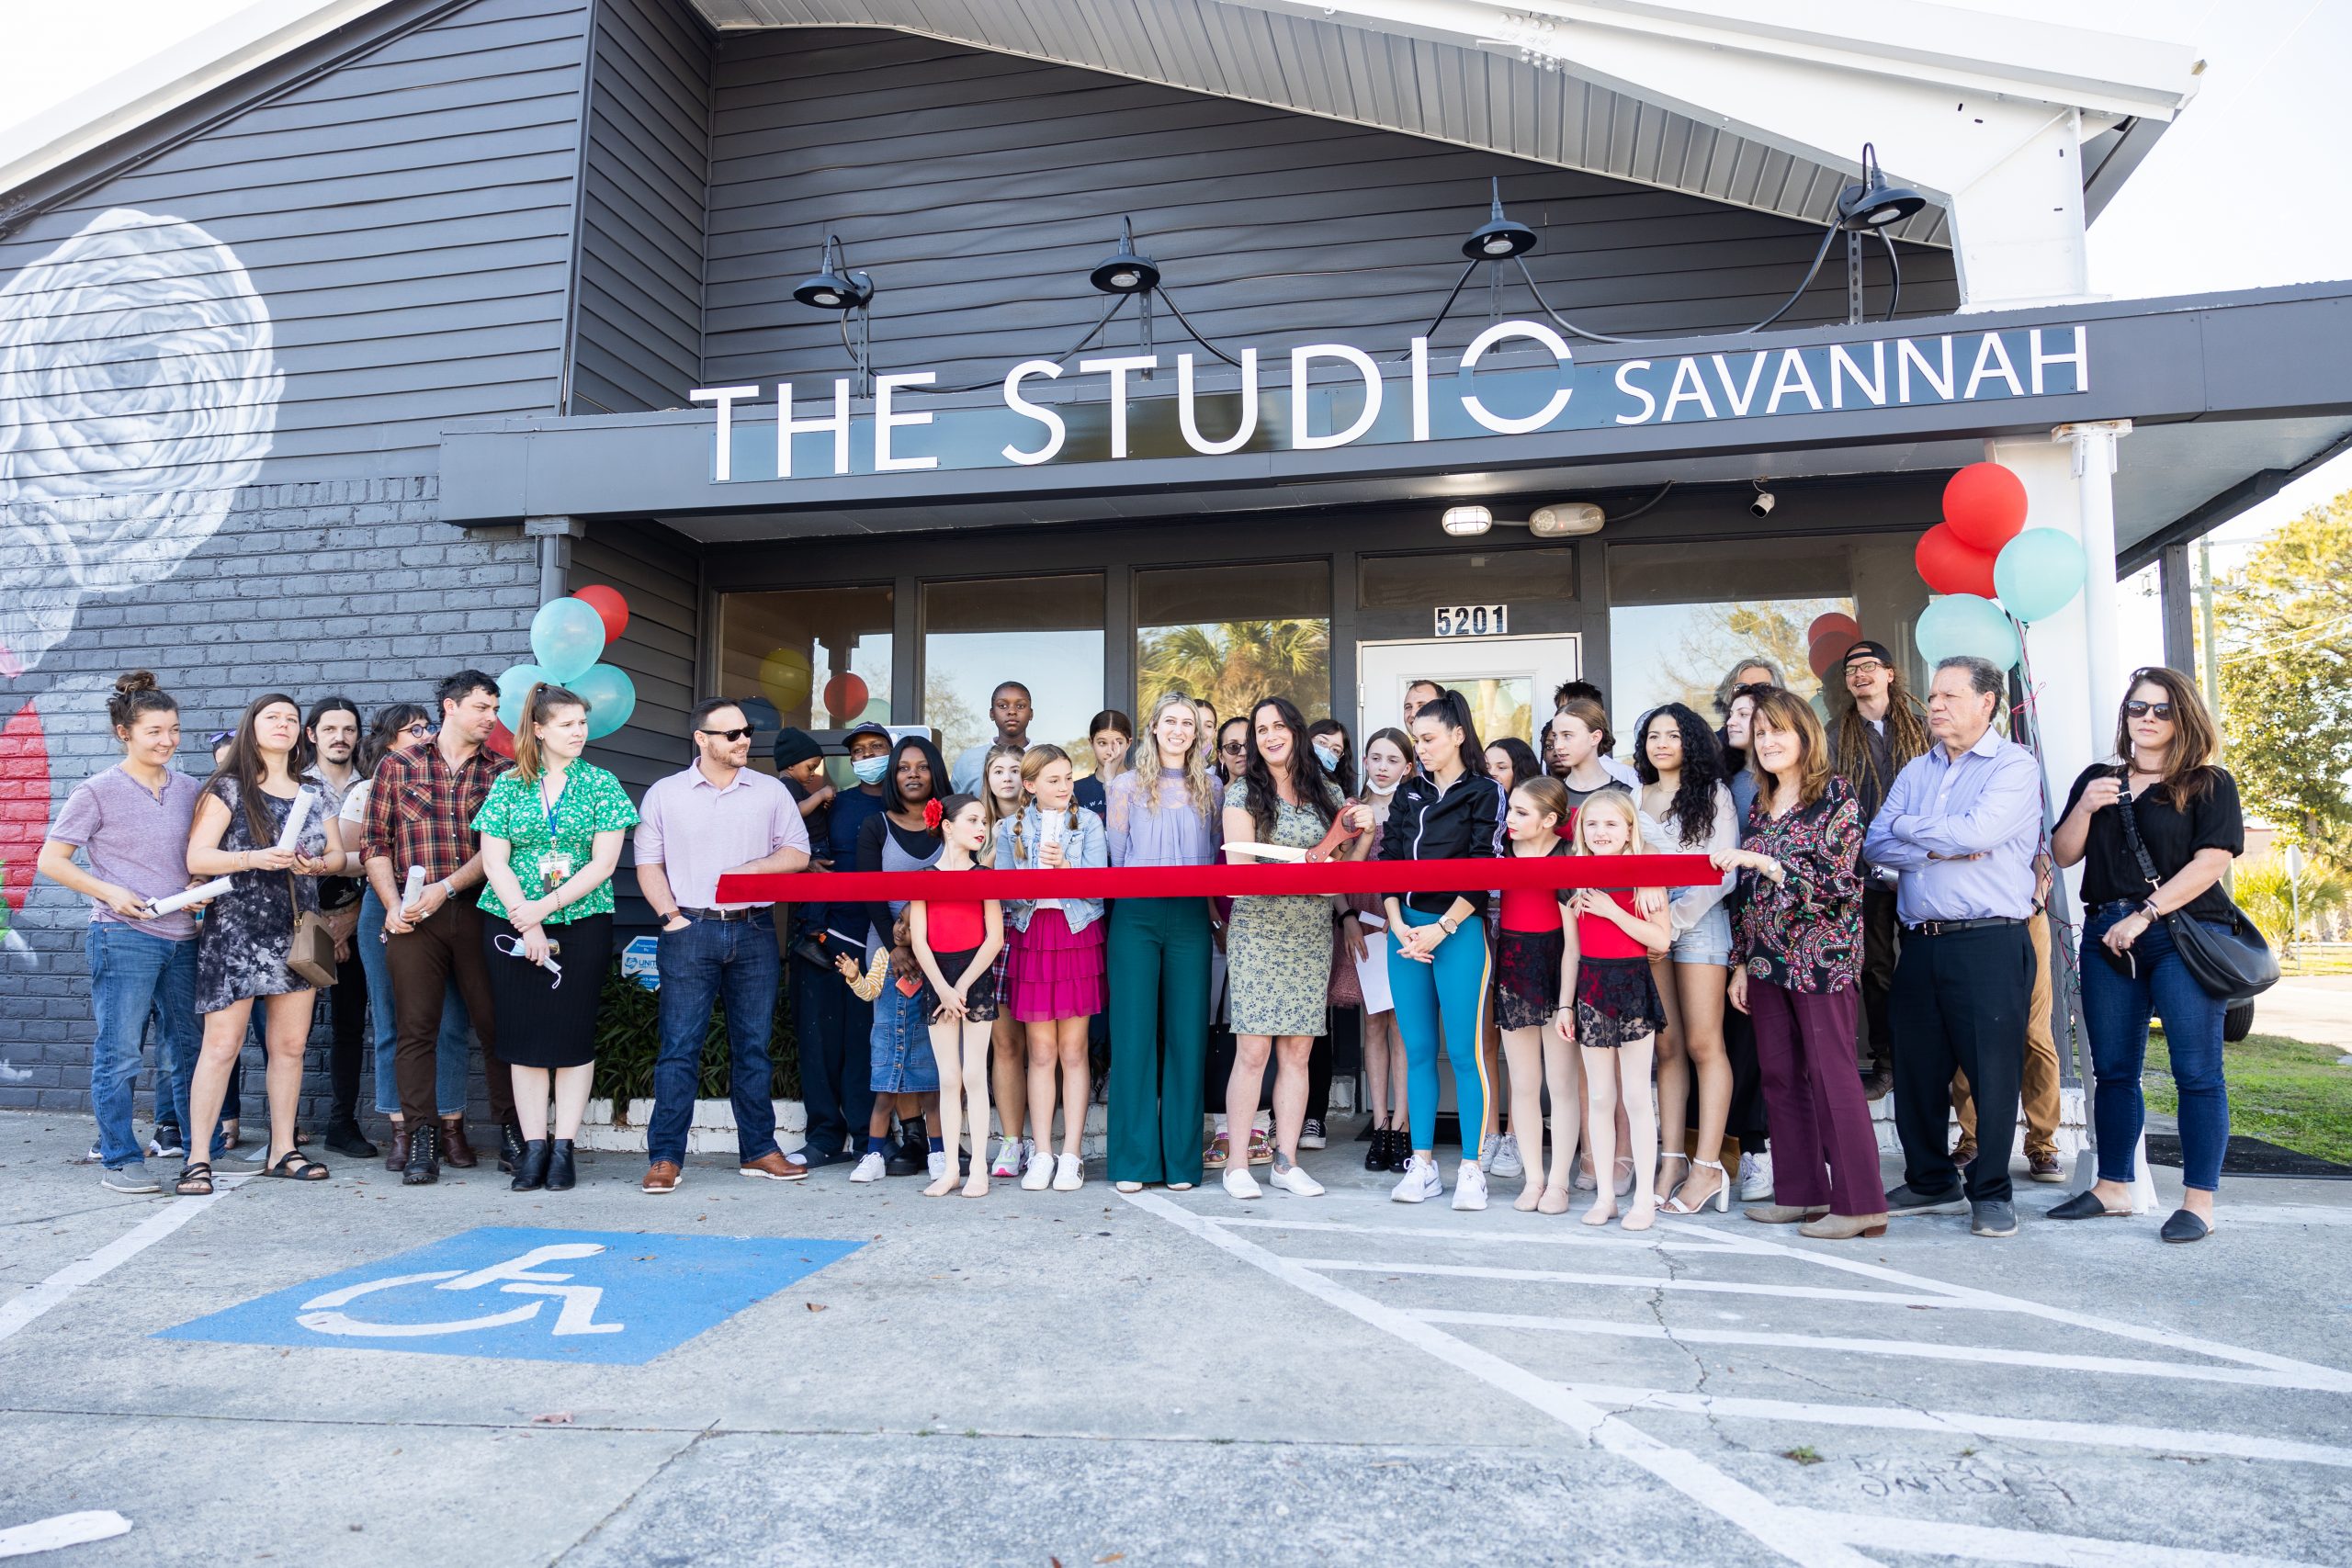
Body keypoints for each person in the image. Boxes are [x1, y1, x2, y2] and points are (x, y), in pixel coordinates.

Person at [2050, 668, 2244, 1244]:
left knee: (2196, 1072)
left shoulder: (2209, 783)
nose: (2148, 718)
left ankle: (2199, 1203)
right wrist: (2085, 808)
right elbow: (2063, 854)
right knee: (2111, 1071)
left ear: (2183, 717)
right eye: (2137, 708)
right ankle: (2113, 1187)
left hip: (2180, 933)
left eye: (2161, 709)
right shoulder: (2099, 779)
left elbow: (2212, 863)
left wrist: (2146, 914)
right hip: (2106, 934)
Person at [1863, 655, 2044, 1239]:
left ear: (1986, 703)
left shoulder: (2014, 766)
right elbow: (1875, 843)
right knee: (1917, 1069)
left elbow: (1978, 833)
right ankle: (1929, 1180)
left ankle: (1991, 1191)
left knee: (1992, 1073)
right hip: (1920, 941)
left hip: (1989, 941)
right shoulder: (1916, 770)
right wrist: (1940, 844)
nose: (1935, 705)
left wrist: (1916, 832)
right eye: (1934, 696)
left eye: (1949, 696)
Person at [1714, 689, 1886, 1239]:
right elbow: (1748, 895)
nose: (1767, 741)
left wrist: (1767, 863)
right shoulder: (1761, 803)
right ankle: (1801, 1193)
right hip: (1767, 962)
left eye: (1778, 731)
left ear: (1806, 735)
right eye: (1760, 732)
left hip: (1821, 960)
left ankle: (1861, 1204)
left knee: (1832, 1075)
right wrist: (1741, 963)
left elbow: (1839, 885)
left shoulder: (1835, 795)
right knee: (1781, 1078)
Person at [633, 697, 812, 1193]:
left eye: (746, 731)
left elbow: (798, 852)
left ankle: (759, 1150)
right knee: (679, 1049)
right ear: (702, 739)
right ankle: (665, 1157)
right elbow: (648, 864)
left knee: (753, 1048)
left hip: (754, 929)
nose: (743, 740)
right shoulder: (666, 793)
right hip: (689, 927)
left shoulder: (769, 790)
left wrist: (751, 870)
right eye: (731, 734)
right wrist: (671, 918)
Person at [38, 673, 207, 1192]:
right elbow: (51, 860)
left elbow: (195, 857)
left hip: (184, 937)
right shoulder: (97, 791)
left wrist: (197, 885)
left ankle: (201, 1154)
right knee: (121, 1053)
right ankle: (118, 1158)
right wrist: (109, 892)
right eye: (154, 731)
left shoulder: (190, 789)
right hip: (122, 936)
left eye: (173, 729)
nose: (166, 740)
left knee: (190, 1050)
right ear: (123, 733)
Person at [176, 693, 349, 1193]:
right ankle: (199, 1157)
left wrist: (316, 864)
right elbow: (198, 857)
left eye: (292, 719)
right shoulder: (228, 787)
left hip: (297, 930)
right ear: (251, 726)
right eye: (273, 717)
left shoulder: (314, 791)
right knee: (221, 1046)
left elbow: (338, 855)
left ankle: (282, 1150)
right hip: (235, 932)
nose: (283, 725)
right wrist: (255, 858)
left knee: (290, 1047)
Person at [473, 682, 636, 1192]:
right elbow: (494, 861)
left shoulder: (602, 783)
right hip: (512, 921)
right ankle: (534, 1148)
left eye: (582, 723)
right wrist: (529, 922)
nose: (578, 732)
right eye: (567, 724)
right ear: (539, 730)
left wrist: (544, 908)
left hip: (583, 921)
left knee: (572, 1036)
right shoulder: (509, 785)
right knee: (522, 1038)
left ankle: (563, 1147)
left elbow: (603, 864)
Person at [364, 669, 518, 1184]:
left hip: (481, 911)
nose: (491, 718)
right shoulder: (397, 765)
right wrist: (392, 904)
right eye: (482, 708)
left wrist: (446, 887)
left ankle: (512, 1133)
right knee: (416, 1029)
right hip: (414, 917)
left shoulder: (503, 772)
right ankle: (422, 1139)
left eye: (495, 709)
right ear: (450, 707)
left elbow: (499, 850)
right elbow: (375, 843)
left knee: (496, 1027)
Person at [1222, 696, 1351, 1201]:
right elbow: (1241, 872)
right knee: (1253, 1051)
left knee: (1298, 1052)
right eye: (1261, 730)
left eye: (1279, 726)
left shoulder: (1328, 791)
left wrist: (1358, 831)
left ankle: (1286, 1162)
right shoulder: (1242, 792)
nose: (1271, 736)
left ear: (1296, 732)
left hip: (1310, 931)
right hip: (1258, 930)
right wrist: (1311, 864)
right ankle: (1237, 1166)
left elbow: (1342, 868)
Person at [1381, 690, 1503, 1210]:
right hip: (1405, 934)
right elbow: (1388, 862)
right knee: (1417, 1051)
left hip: (1458, 932)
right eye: (1417, 740)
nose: (1422, 748)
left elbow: (1485, 867)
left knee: (1465, 1053)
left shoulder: (1485, 791)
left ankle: (1472, 1168)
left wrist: (1443, 927)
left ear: (1457, 735)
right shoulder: (1408, 792)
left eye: (1429, 738)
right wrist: (1398, 926)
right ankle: (1423, 1164)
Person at [343, 705, 474, 1172]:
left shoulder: (464, 777)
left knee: (451, 1022)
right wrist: (392, 903)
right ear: (389, 741)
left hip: (452, 905)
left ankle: (451, 1126)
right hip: (388, 902)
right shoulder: (371, 786)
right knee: (392, 1021)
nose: (424, 734)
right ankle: (403, 1129)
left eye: (427, 727)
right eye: (413, 729)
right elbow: (359, 852)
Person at [1105, 694, 1218, 1193]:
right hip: (1136, 915)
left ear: (1197, 732)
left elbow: (1214, 851)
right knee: (1133, 1036)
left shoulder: (1212, 786)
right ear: (1153, 728)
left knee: (1188, 1036)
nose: (1178, 730)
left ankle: (1182, 1162)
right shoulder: (1125, 786)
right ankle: (1133, 1161)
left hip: (1191, 916)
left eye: (1187, 723)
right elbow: (1116, 855)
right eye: (1170, 721)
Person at [1633, 704, 1739, 1214]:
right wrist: (1652, 923)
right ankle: (1671, 1160)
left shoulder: (1714, 794)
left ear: (1690, 742)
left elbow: (1724, 873)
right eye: (1653, 736)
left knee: (1703, 1043)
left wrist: (1671, 923)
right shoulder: (1635, 795)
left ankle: (1708, 1167)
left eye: (1672, 735)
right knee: (1667, 1046)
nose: (1661, 744)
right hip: (1648, 921)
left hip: (1700, 919)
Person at [1558, 789, 1671, 1230]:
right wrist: (1565, 1005)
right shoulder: (1575, 876)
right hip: (1591, 988)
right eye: (1592, 824)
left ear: (1629, 830)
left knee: (1637, 1096)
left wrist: (1610, 910)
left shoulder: (1646, 873)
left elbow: (1661, 940)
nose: (1600, 832)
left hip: (1632, 985)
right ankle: (1605, 1196)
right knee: (1601, 1097)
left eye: (1610, 824)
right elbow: (1572, 950)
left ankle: (1643, 1199)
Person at [1000, 744, 1110, 1192]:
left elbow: (1099, 888)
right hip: (1033, 935)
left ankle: (1072, 1154)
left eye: (1068, 777)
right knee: (1041, 1051)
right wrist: (1030, 879)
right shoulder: (1009, 827)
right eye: (1053, 780)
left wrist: (1065, 867)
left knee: (1073, 1049)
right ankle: (1042, 1152)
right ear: (1029, 785)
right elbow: (1006, 893)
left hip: (1076, 933)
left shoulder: (1090, 822)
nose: (1065, 787)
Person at [786, 719, 892, 1173]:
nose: (868, 756)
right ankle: (825, 1137)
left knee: (870, 1041)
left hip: (885, 940)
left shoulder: (910, 806)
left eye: (877, 747)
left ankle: (873, 1139)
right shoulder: (836, 803)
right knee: (821, 1042)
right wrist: (807, 861)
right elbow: (794, 843)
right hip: (827, 937)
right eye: (859, 751)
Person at [1828, 640, 1929, 1099]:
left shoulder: (1923, 728)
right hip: (1863, 871)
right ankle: (1886, 1064)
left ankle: (1927, 1062)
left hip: (1922, 867)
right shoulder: (1835, 734)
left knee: (1925, 964)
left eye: (1869, 665)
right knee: (1875, 969)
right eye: (1851, 668)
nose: (1859, 673)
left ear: (1890, 673)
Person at [851, 734, 953, 1183]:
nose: (913, 774)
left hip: (945, 950)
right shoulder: (876, 825)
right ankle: (905, 1141)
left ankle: (941, 1143)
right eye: (903, 768)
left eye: (922, 766)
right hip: (889, 952)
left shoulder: (949, 823)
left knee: (938, 1048)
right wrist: (896, 948)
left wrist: (922, 940)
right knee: (895, 1040)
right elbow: (869, 892)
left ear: (935, 772)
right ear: (893, 776)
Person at [909, 793, 1004, 1199]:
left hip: (973, 977)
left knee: (973, 1074)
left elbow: (995, 937)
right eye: (973, 820)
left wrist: (962, 986)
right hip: (938, 979)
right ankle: (950, 1168)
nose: (982, 828)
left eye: (984, 821)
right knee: (948, 1077)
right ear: (947, 825)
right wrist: (943, 988)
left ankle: (978, 1168)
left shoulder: (985, 876)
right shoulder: (923, 877)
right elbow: (919, 940)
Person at [1492, 775, 1580, 1213]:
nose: (1510, 818)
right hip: (1514, 965)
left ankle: (1559, 1181)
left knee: (1561, 1085)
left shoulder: (1567, 855)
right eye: (1511, 809)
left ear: (1549, 820)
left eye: (1521, 812)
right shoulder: (1500, 851)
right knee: (1524, 1084)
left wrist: (1566, 1003)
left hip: (1557, 965)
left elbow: (1573, 943)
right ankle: (1533, 1179)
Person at [293, 695, 376, 1158]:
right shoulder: (296, 786)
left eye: (348, 729)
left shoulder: (374, 785)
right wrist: (322, 925)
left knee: (349, 1027)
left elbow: (381, 858)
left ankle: (342, 1124)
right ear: (312, 735)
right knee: (290, 1029)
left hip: (357, 922)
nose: (340, 738)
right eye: (329, 729)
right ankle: (284, 1126)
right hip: (302, 922)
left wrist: (349, 921)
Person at [1716, 681, 1774, 1201]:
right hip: (1722, 923)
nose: (1733, 721)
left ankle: (1759, 1148)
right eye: (1731, 713)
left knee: (1760, 1045)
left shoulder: (1783, 785)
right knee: (1727, 1041)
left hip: (1779, 929)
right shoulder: (1723, 781)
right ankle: (1729, 1151)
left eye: (1744, 713)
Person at [1351, 729, 1412, 1175]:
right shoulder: (1350, 810)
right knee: (1373, 1023)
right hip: (1364, 922)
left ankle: (1404, 1125)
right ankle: (1380, 1124)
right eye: (1376, 758)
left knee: (1403, 1024)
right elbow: (1333, 869)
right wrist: (1345, 917)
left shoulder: (1416, 807)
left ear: (1408, 767)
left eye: (1393, 759)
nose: (1383, 767)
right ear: (1366, 762)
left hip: (1405, 922)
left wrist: (1404, 917)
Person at [978, 741, 1035, 1179]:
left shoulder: (1046, 818)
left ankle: (1042, 1142)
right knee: (1006, 1044)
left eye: (1016, 769)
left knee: (1045, 1045)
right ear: (988, 779)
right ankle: (1012, 1141)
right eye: (999, 770)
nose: (1008, 777)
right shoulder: (976, 823)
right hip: (992, 939)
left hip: (1037, 932)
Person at [1546, 698, 1638, 802]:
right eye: (1555, 736)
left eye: (1567, 735)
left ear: (1595, 737)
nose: (1558, 746)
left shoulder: (1624, 795)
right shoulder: (1552, 796)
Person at [950, 681, 1034, 795]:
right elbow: (954, 803)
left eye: (1020, 706)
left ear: (1031, 714)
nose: (1012, 711)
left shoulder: (1046, 760)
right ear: (992, 713)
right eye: (1002, 706)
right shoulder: (968, 760)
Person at [1075, 708, 1133, 818]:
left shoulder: (1141, 786)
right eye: (1102, 743)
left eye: (1118, 743)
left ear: (1128, 743)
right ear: (1091, 743)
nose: (1110, 752)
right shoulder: (1076, 790)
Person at [1713, 658, 1784, 721]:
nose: (1750, 696)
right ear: (1728, 696)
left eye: (1761, 688)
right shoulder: (1717, 734)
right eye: (1741, 688)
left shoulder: (1789, 732)